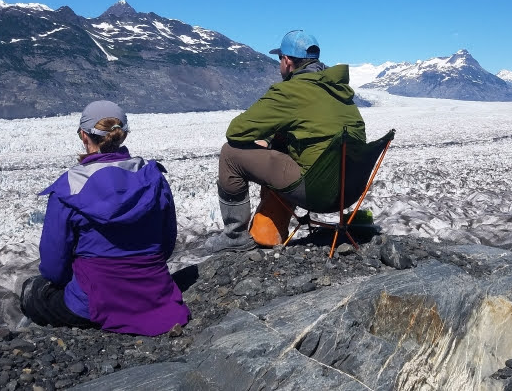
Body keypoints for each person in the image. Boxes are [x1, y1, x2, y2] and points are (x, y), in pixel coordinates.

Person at [20, 100, 190, 335]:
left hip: (92, 304)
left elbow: (53, 267)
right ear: (123, 135)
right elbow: (166, 244)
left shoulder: (69, 187)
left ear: (83, 135)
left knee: (33, 290)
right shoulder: (153, 178)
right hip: (155, 296)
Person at [205, 30, 366, 253]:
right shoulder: (339, 89)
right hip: (350, 191)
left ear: (288, 60)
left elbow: (236, 131)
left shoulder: (290, 91)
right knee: (282, 142)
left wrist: (266, 141)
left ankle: (235, 236)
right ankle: (266, 231)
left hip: (320, 193)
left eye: (280, 59)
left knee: (230, 153)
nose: (280, 64)